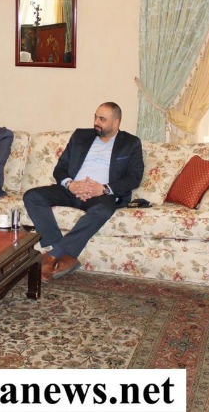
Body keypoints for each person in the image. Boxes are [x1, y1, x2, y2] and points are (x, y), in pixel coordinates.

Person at [23, 102, 144, 282]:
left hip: (101, 194)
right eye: (95, 117)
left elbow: (134, 177)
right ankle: (62, 253)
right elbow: (60, 168)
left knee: (103, 210)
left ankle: (51, 256)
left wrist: (103, 188)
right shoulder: (80, 136)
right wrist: (70, 184)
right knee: (32, 196)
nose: (96, 122)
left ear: (116, 122)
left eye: (102, 119)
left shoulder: (131, 143)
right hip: (72, 189)